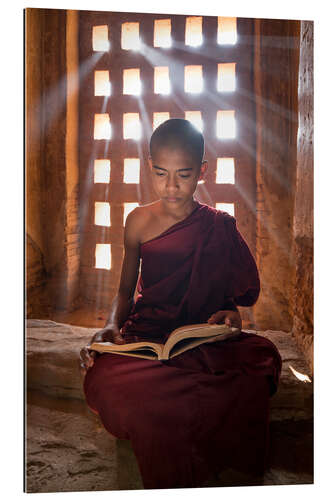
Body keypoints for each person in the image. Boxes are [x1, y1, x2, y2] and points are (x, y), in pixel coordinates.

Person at [80, 119, 282, 489]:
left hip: (199, 339)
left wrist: (230, 315)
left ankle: (171, 413)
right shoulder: (138, 221)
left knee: (261, 358)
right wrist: (111, 325)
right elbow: (125, 292)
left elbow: (230, 301)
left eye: (183, 175)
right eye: (161, 174)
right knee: (103, 376)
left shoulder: (217, 226)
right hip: (149, 336)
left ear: (202, 172)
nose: (171, 186)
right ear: (150, 167)